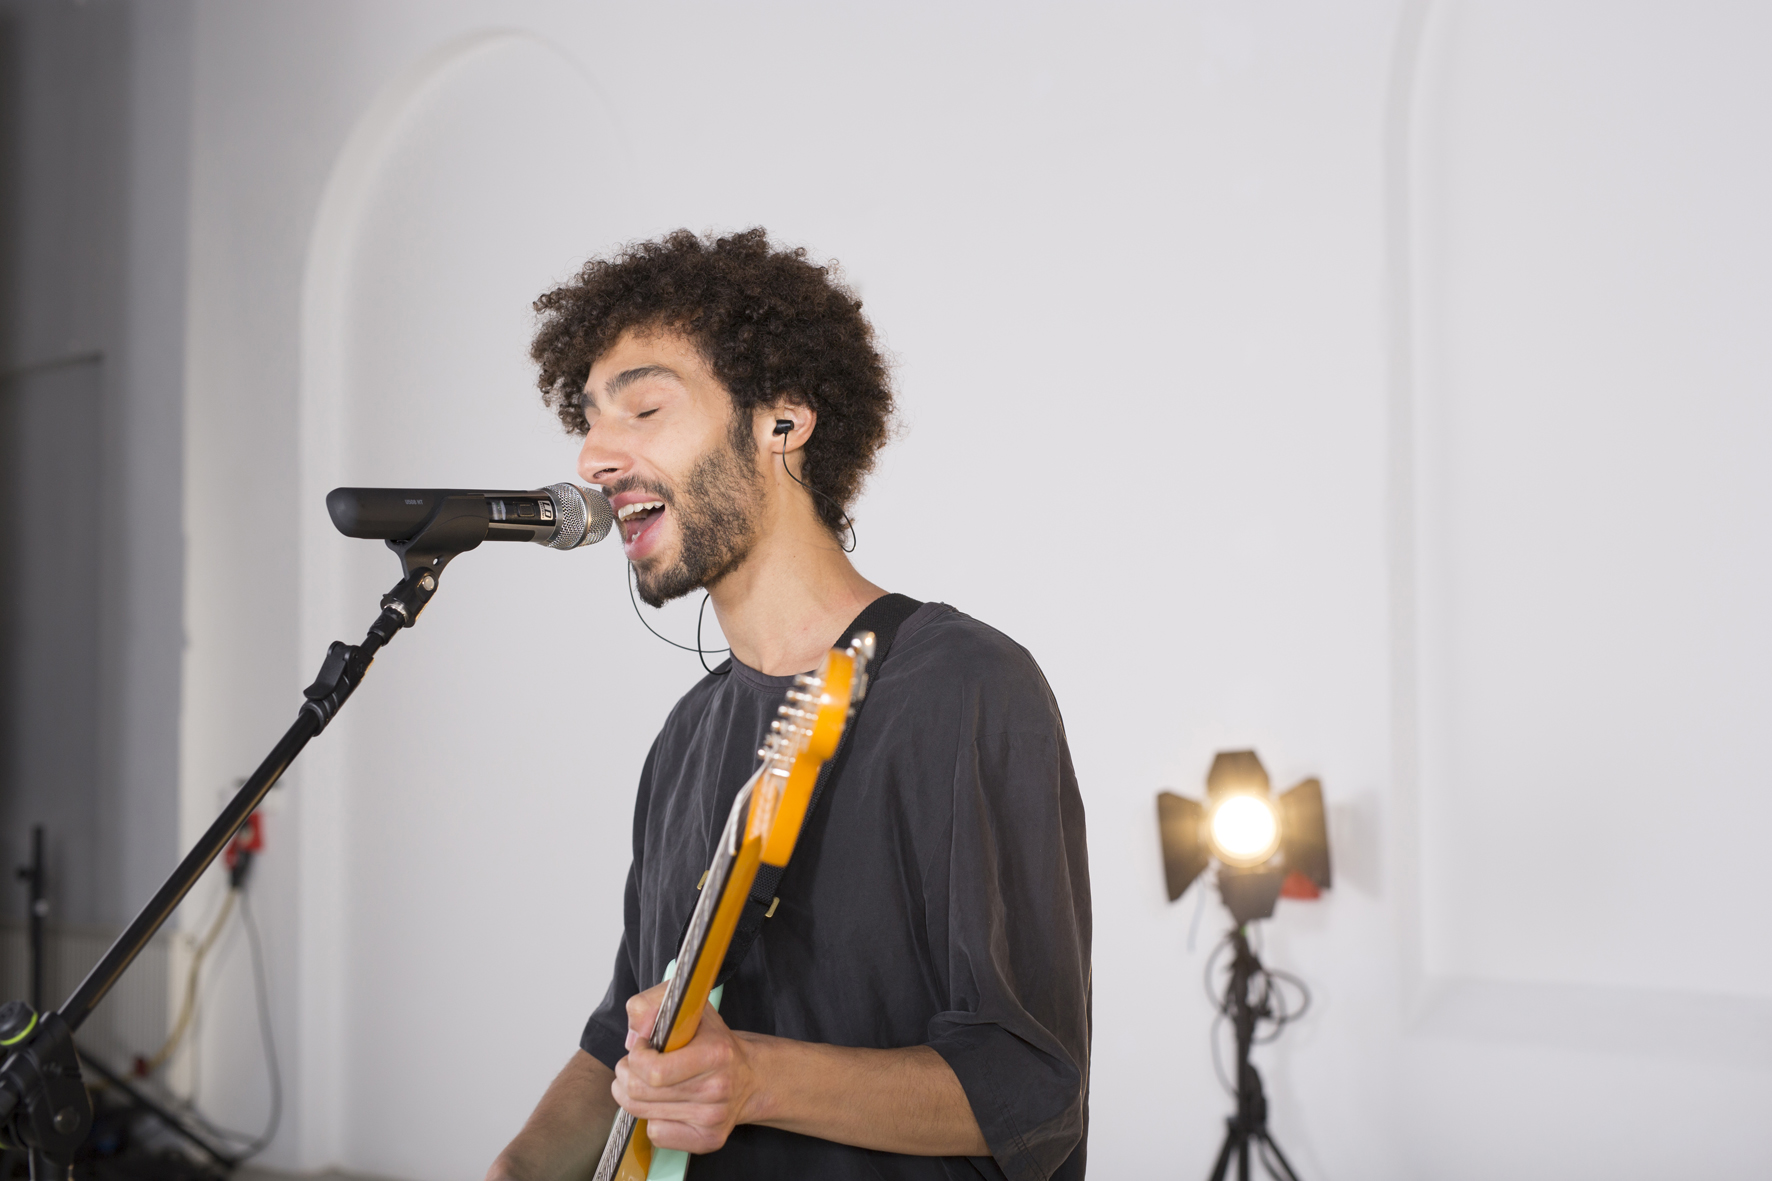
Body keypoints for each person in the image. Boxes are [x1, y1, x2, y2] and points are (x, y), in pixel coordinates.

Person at [486, 229, 1090, 1181]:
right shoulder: (686, 738)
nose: (595, 457)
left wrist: (757, 1077)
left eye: (643, 406)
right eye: (590, 421)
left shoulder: (967, 688)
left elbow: (1031, 1084)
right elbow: (624, 1038)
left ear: (782, 421)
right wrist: (514, 1171)